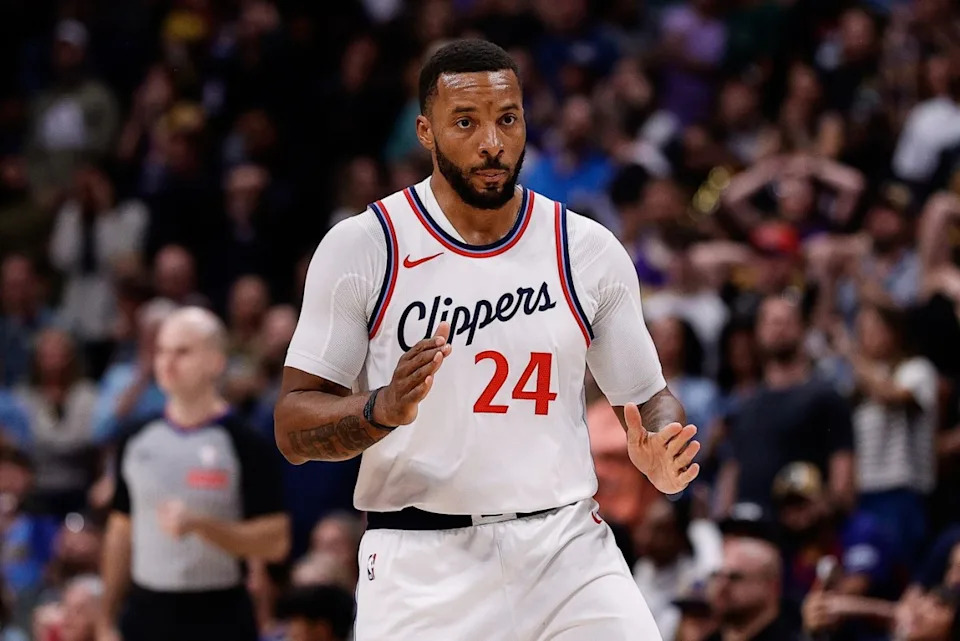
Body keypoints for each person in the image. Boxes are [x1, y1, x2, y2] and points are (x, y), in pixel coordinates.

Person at [275, 39, 701, 640]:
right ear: (425, 132)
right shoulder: (365, 247)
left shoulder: (585, 249)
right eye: (465, 122)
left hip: (566, 550)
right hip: (421, 563)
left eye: (507, 119)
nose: (492, 142)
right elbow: (293, 426)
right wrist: (380, 409)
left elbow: (650, 398)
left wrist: (665, 447)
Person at [97, 307, 289, 641]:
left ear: (215, 362)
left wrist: (201, 525)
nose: (167, 362)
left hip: (219, 614)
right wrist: (106, 617)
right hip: (146, 613)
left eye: (182, 352)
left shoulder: (246, 442)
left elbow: (275, 541)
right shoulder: (135, 438)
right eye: (161, 351)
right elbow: (120, 531)